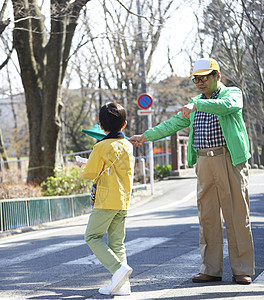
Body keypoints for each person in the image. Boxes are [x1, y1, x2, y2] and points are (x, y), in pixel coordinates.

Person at [129, 58, 255, 285]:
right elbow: (172, 124)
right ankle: (211, 268)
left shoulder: (231, 94)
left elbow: (229, 107)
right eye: (196, 79)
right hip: (204, 162)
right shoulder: (194, 104)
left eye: (203, 78)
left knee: (237, 216)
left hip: (230, 159)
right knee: (207, 216)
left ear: (217, 76)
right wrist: (144, 137)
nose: (199, 83)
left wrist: (197, 105)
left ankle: (241, 269)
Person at [80, 102, 134, 295]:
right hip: (123, 200)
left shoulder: (101, 146)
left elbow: (90, 173)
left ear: (101, 127)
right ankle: (122, 285)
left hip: (105, 200)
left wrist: (83, 166)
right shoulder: (127, 145)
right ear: (124, 124)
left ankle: (117, 269)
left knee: (92, 237)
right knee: (117, 243)